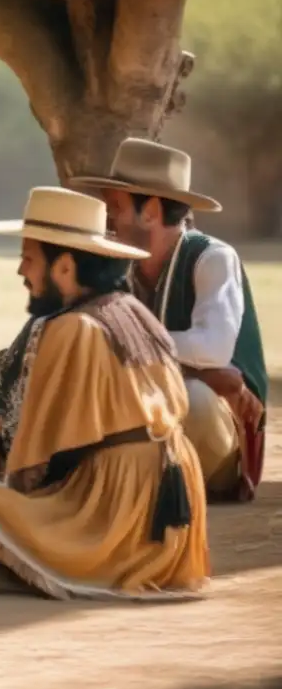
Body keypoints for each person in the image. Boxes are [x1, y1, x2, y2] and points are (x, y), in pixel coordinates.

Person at [0, 186, 210, 599]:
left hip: (112, 511)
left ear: (66, 267)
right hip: (172, 510)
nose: (22, 271)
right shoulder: (135, 312)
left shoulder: (70, 329)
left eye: (30, 259)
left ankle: (34, 571)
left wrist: (7, 488)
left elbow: (34, 462)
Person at [71, 139, 268, 502]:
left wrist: (126, 346)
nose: (107, 219)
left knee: (192, 398)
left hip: (213, 433)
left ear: (151, 212)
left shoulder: (212, 258)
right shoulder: (116, 267)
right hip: (151, 420)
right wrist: (200, 371)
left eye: (115, 207)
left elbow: (213, 347)